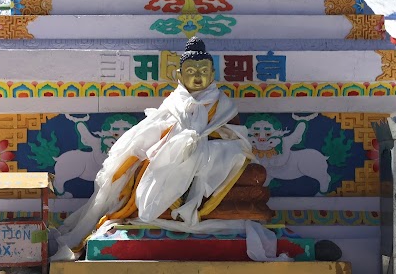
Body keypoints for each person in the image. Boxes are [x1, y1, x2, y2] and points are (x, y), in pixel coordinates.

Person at [53, 37, 265, 259]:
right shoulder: (174, 102)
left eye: (203, 71)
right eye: (191, 71)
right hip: (173, 156)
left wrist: (205, 143)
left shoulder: (223, 105)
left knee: (255, 174)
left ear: (212, 74)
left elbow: (238, 138)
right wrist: (178, 141)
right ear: (179, 76)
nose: (198, 76)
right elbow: (156, 129)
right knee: (147, 167)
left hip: (215, 159)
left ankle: (187, 200)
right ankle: (167, 206)